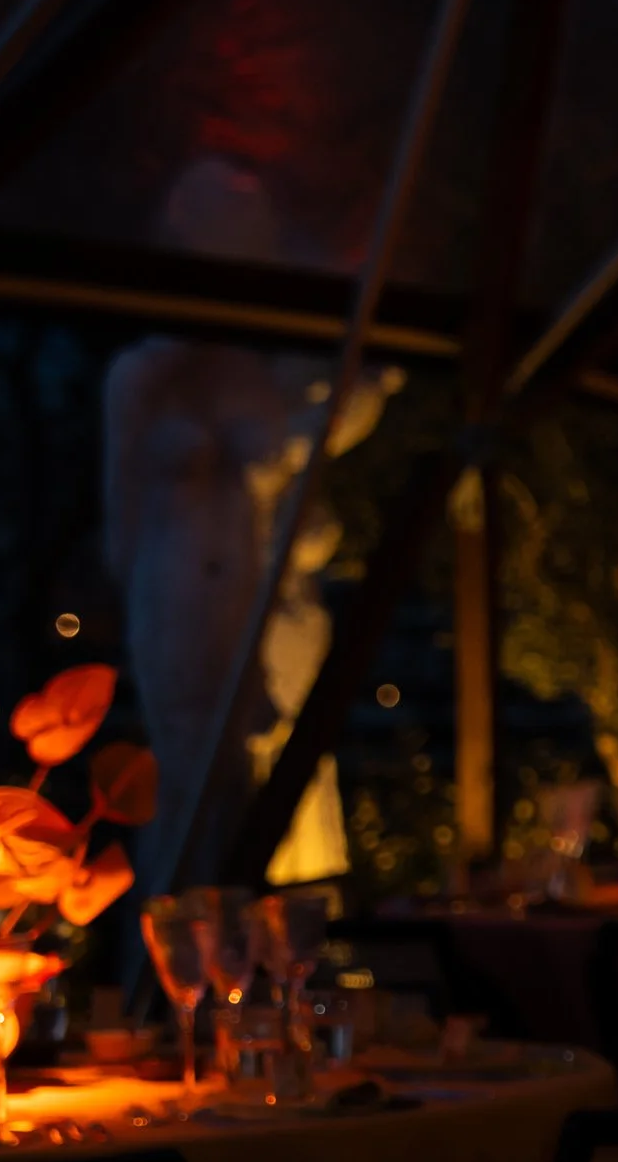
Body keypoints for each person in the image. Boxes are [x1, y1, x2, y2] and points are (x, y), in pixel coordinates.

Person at [101, 158, 397, 885]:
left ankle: (270, 948)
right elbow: (126, 514)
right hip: (186, 598)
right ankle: (197, 943)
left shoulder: (262, 378)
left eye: (250, 223)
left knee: (272, 755)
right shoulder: (149, 374)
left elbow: (298, 454)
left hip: (263, 596)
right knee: (202, 770)